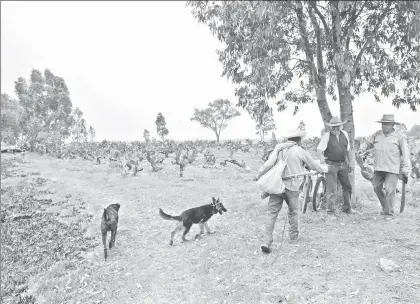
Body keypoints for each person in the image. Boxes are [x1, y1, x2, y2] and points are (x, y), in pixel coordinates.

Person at [254, 128, 329, 254]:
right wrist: (325, 169)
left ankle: (267, 241)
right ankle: (293, 236)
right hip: (292, 186)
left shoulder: (278, 149)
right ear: (299, 140)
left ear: (288, 139)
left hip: (276, 186)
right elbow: (314, 166)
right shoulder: (300, 151)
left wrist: (258, 175)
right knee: (293, 211)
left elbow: (268, 164)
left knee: (272, 213)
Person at [358, 114, 411, 220]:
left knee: (390, 189)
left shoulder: (399, 137)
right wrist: (362, 149)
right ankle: (385, 207)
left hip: (392, 168)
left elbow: (405, 153)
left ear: (392, 125)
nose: (384, 126)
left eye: (386, 124)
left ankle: (389, 213)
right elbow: (368, 143)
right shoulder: (377, 135)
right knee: (376, 187)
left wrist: (406, 168)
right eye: (382, 124)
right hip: (379, 167)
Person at [316, 116, 354, 216]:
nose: (335, 129)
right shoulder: (327, 136)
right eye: (333, 127)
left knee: (347, 186)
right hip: (331, 164)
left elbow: (349, 150)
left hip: (343, 164)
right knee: (332, 189)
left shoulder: (345, 134)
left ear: (340, 126)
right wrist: (321, 158)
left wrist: (351, 163)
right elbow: (319, 150)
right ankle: (330, 212)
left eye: (337, 126)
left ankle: (347, 208)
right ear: (330, 127)